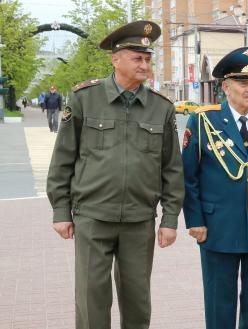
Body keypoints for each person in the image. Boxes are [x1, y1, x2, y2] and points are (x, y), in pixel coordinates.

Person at [46, 20, 184, 329]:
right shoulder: (84, 99)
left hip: (139, 220)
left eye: (148, 59)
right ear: (115, 59)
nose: (144, 65)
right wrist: (60, 210)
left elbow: (172, 168)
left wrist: (171, 219)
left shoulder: (161, 108)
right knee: (92, 299)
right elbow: (63, 160)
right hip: (93, 217)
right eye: (137, 58)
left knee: (137, 302)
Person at [182, 46, 248, 328]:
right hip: (218, 226)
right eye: (243, 83)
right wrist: (195, 220)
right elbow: (189, 176)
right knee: (220, 302)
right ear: (226, 86)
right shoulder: (204, 120)